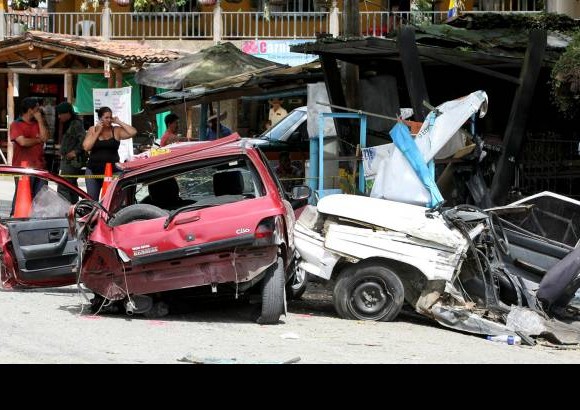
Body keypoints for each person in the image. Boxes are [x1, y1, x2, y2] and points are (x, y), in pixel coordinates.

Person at [83, 106, 137, 200]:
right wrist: (97, 132)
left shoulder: (116, 130)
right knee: (92, 200)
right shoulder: (93, 129)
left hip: (112, 171)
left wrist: (119, 122)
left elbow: (133, 132)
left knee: (110, 200)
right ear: (100, 119)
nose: (109, 120)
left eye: (110, 117)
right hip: (93, 170)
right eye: (106, 118)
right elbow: (86, 147)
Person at [9, 97, 50, 215]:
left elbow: (45, 137)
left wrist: (41, 121)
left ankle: (35, 221)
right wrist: (38, 140)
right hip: (23, 166)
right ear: (30, 110)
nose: (39, 110)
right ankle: (15, 215)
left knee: (40, 197)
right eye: (37, 108)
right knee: (22, 194)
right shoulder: (16, 124)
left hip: (39, 165)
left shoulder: (38, 122)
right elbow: (22, 142)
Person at [55, 102, 85, 204]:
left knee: (64, 185)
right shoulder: (69, 124)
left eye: (60, 114)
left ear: (67, 113)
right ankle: (73, 207)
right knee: (71, 185)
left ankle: (66, 209)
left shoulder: (76, 123)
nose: (59, 117)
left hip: (72, 161)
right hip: (67, 159)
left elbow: (83, 140)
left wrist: (75, 152)